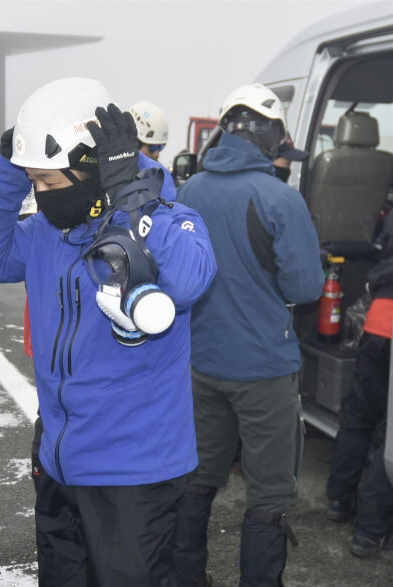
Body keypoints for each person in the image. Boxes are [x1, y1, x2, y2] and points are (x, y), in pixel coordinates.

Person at [0, 77, 216, 586]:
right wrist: (9, 171)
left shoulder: (168, 219)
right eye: (34, 181)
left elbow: (188, 280)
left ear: (97, 173)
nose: (42, 194)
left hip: (134, 474)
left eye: (52, 183)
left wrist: (132, 200)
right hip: (60, 460)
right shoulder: (48, 233)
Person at [173, 83, 324, 587]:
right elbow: (304, 286)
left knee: (198, 479)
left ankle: (185, 576)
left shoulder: (190, 189)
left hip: (201, 361)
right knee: (269, 494)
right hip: (263, 366)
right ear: (270, 138)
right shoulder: (280, 198)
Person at [326, 213, 393, 558]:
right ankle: (371, 531)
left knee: (360, 413)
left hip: (381, 315)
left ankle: (339, 499)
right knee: (390, 432)